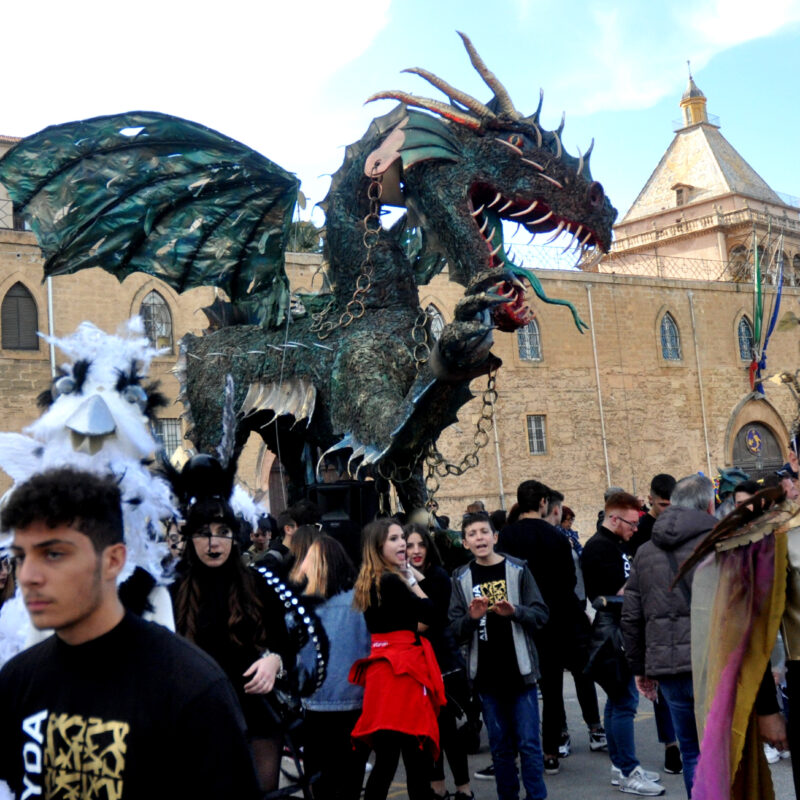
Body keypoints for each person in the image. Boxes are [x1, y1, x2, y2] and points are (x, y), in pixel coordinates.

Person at [0, 467, 260, 800]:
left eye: (54, 554)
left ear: (112, 561)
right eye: (21, 557)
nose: (30, 576)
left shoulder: (192, 688)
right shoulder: (17, 681)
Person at [172, 492, 291, 793]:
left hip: (255, 711)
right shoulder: (173, 588)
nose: (214, 544)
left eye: (223, 533)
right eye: (204, 533)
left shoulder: (258, 583)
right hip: (194, 717)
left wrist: (273, 662)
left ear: (235, 537)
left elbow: (286, 644)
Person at [621, 475, 717, 797]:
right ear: (708, 504)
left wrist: (639, 668)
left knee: (690, 751)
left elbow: (631, 617)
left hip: (671, 668)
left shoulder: (645, 552)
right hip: (711, 663)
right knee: (721, 748)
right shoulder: (718, 543)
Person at [449, 511, 550, 800]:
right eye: (472, 534)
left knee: (530, 744)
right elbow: (453, 627)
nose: (479, 537)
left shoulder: (518, 570)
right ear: (465, 543)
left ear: (495, 537)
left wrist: (516, 612)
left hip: (521, 673)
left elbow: (541, 614)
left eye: (484, 532)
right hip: (485, 676)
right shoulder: (462, 577)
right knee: (500, 746)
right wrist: (471, 618)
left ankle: (536, 796)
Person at [497, 480, 595, 773]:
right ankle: (550, 751)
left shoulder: (506, 537)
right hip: (553, 622)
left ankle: (515, 749)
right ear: (542, 503)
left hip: (516, 620)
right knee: (552, 690)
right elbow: (568, 582)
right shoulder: (555, 538)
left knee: (516, 691)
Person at [349, 518, 446, 800]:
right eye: (394, 539)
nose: (402, 543)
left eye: (401, 537)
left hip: (385, 673)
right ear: (378, 546)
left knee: (388, 759)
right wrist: (412, 580)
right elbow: (434, 615)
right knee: (414, 760)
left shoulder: (372, 581)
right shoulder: (391, 582)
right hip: (401, 673)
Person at [581, 491, 664, 796]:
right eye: (631, 523)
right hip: (613, 632)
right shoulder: (598, 549)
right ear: (614, 518)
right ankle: (628, 769)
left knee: (618, 700)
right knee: (624, 701)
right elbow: (611, 595)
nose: (634, 529)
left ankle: (621, 766)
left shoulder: (619, 543)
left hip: (623, 630)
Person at [298, 535, 371, 800]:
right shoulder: (362, 600)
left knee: (321, 785)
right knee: (350, 783)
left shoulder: (299, 605)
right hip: (357, 702)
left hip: (316, 705)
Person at [405, 523, 474, 800]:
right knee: (427, 729)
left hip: (443, 663)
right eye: (409, 545)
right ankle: (437, 786)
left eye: (421, 544)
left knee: (448, 730)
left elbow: (426, 622)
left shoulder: (437, 576)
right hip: (417, 664)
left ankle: (463, 789)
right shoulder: (400, 578)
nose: (416, 550)